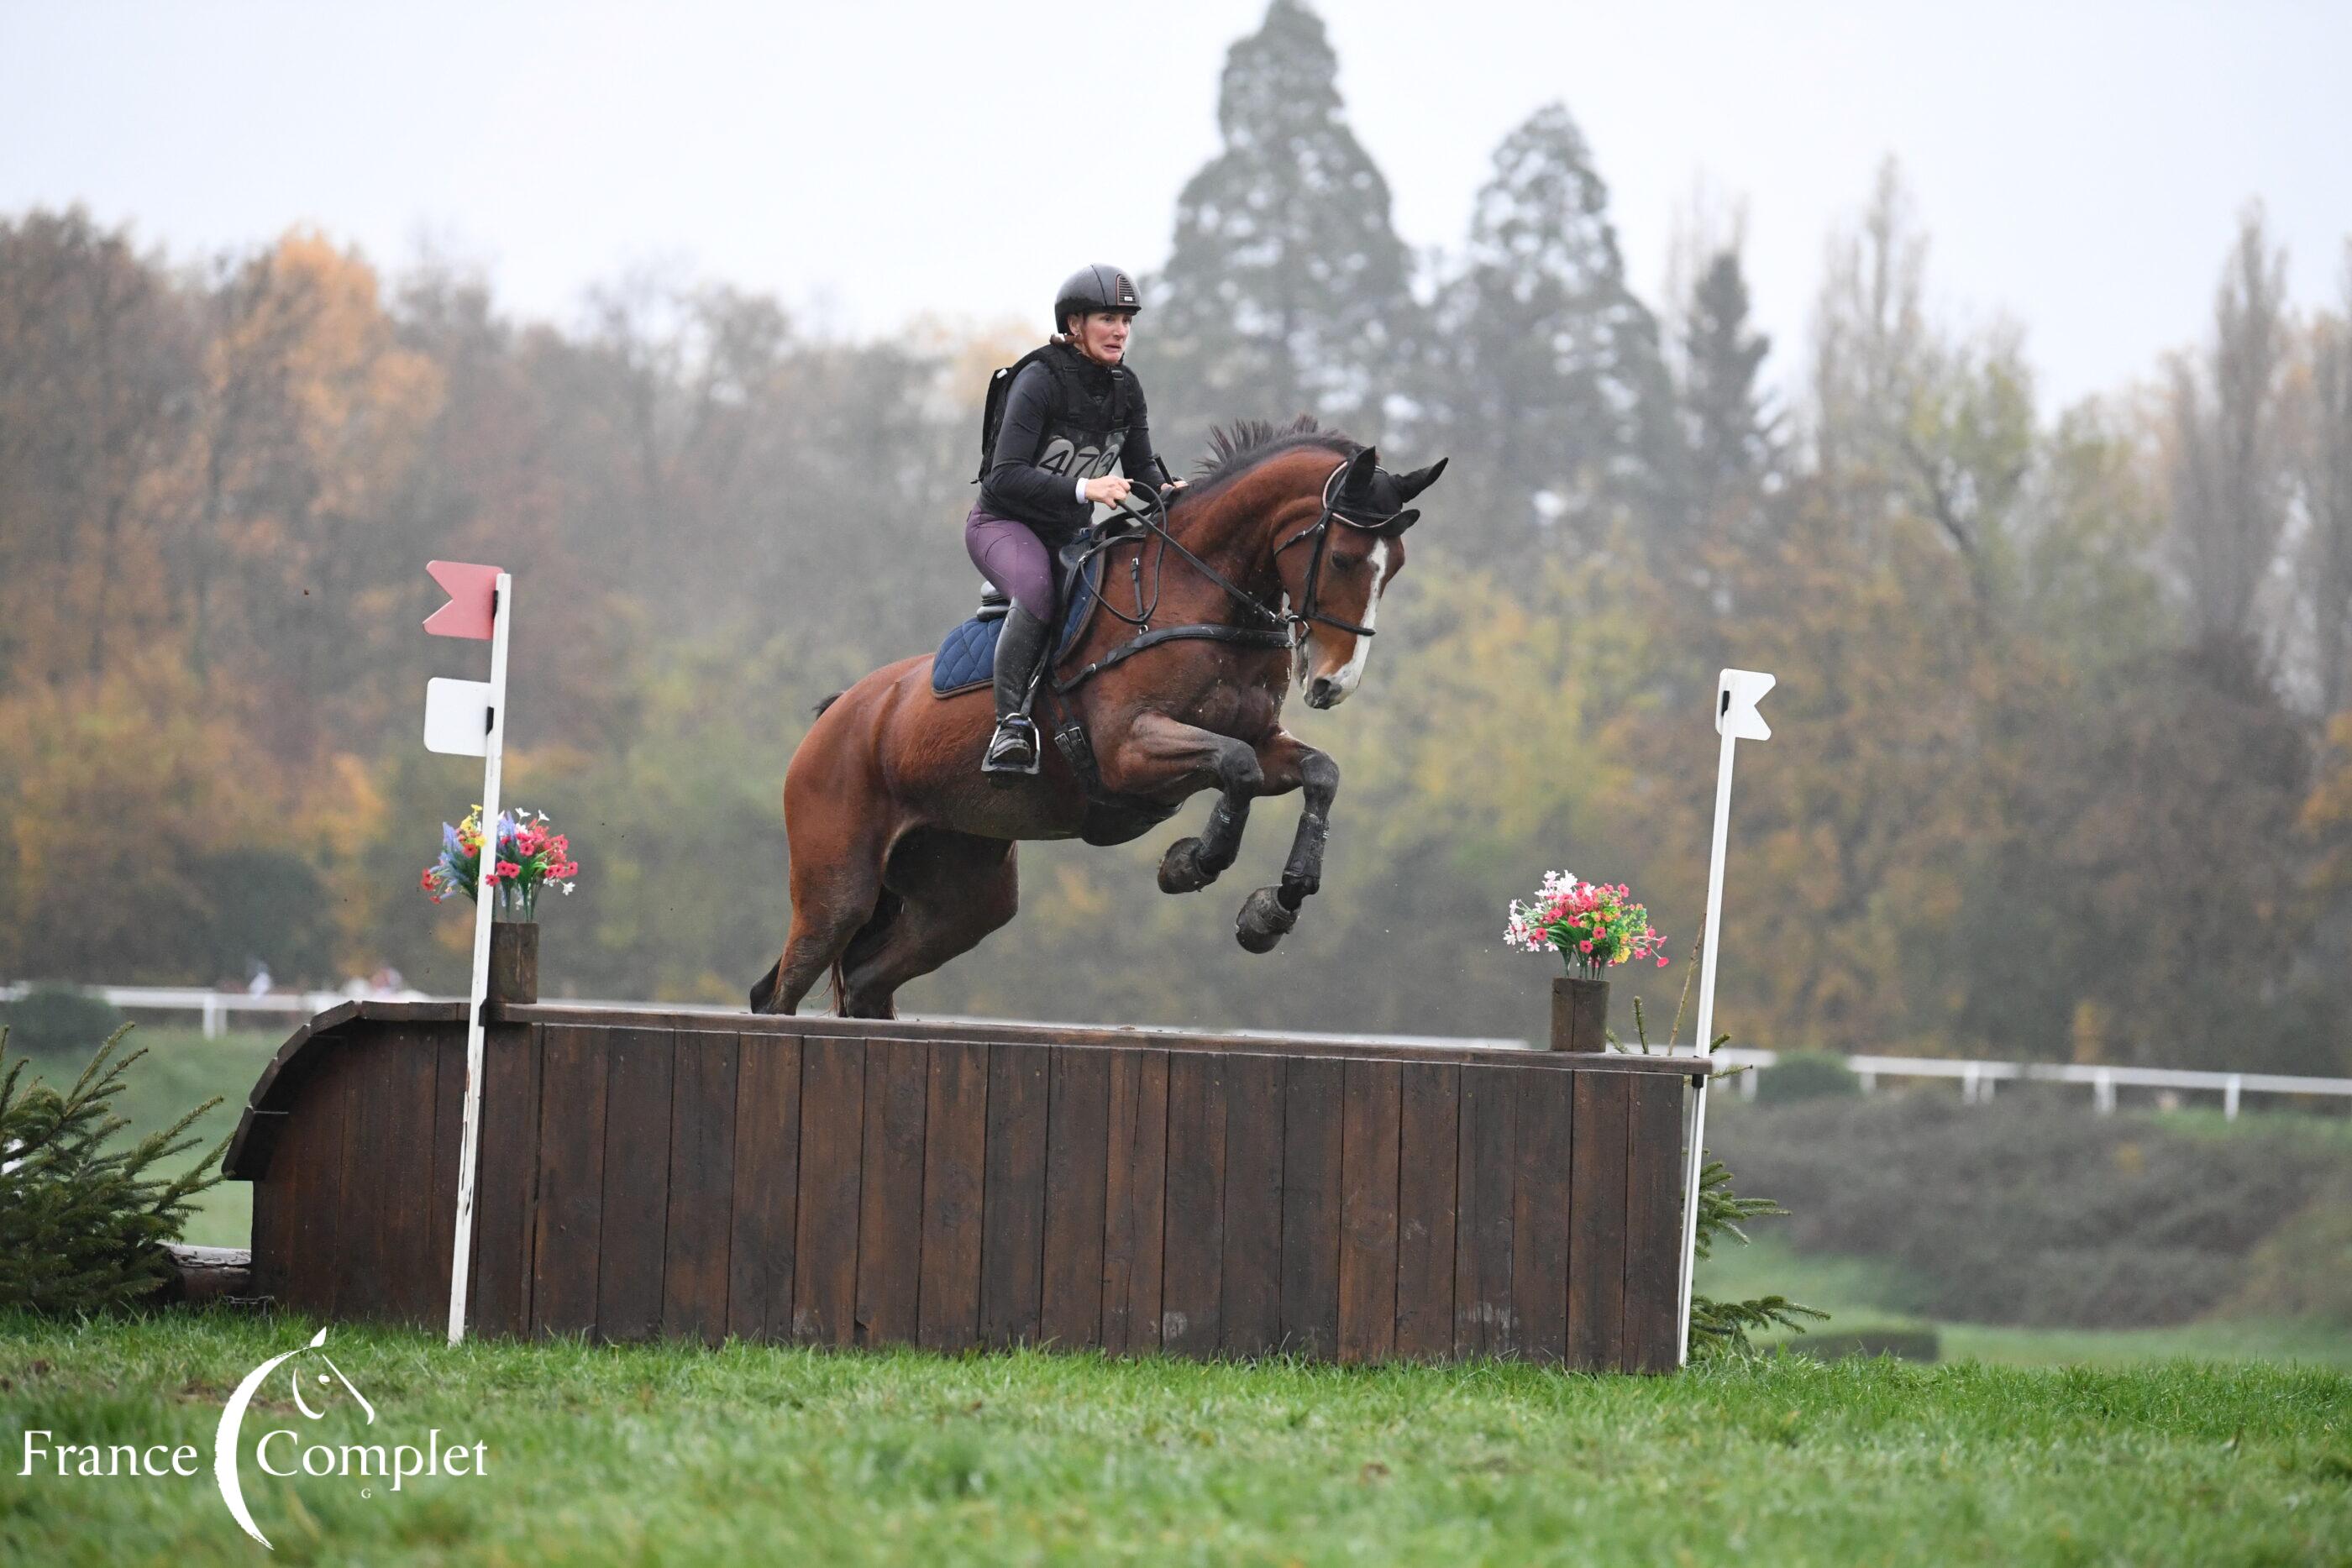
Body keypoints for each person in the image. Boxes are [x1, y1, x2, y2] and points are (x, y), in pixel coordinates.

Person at [967, 264, 1181, 777]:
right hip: (1002, 526)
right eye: (1108, 319)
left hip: (1070, 534)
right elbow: (1004, 476)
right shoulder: (1039, 379)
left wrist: (1176, 494)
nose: (1120, 331)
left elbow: (1143, 472)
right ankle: (1010, 726)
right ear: (1074, 325)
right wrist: (1088, 487)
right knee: (1038, 588)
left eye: (1126, 321)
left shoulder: (1126, 387)